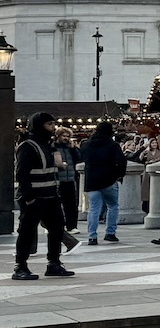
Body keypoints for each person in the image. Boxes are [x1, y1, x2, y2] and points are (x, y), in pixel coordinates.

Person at [12, 112, 74, 280]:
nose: (53, 128)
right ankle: (20, 266)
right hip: (34, 197)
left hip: (50, 196)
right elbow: (22, 173)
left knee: (57, 228)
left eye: (53, 124)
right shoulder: (28, 146)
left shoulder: (48, 145)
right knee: (27, 231)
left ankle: (53, 263)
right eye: (49, 124)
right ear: (39, 126)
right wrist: (28, 197)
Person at [78, 119, 128, 245]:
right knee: (112, 206)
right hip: (109, 179)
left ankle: (92, 236)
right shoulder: (112, 145)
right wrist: (118, 174)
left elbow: (81, 157)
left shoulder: (86, 144)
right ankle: (110, 233)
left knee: (93, 209)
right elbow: (121, 161)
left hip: (91, 180)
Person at [53, 129, 81, 232]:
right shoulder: (53, 147)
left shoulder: (70, 148)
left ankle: (72, 226)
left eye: (68, 136)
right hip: (57, 179)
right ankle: (54, 225)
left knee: (71, 204)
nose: (66, 138)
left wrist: (74, 149)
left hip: (70, 178)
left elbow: (78, 159)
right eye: (63, 136)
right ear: (58, 136)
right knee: (56, 204)